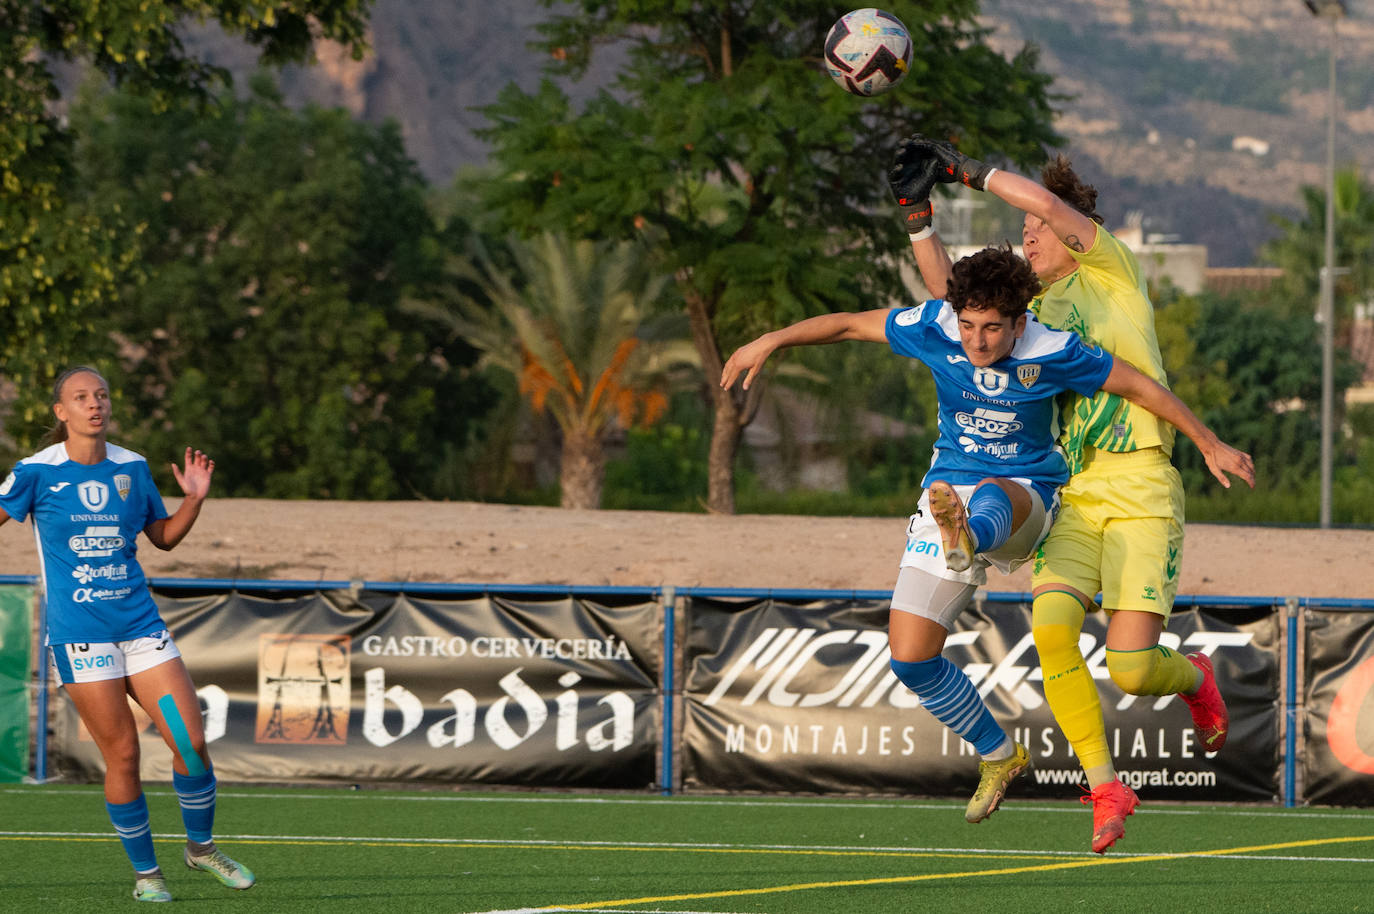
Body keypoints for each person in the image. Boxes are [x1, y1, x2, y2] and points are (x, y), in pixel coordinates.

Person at [719, 245, 1253, 827]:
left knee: (993, 493)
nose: (977, 341)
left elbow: (1141, 388)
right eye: (969, 326)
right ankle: (1000, 754)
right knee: (911, 658)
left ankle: (969, 531)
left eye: (992, 329)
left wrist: (1208, 442)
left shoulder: (1052, 349)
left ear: (1019, 322)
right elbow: (848, 324)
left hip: (1029, 496)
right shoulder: (936, 325)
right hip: (948, 492)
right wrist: (769, 340)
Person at [891, 133, 1245, 853]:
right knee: (1050, 629)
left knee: (1133, 667)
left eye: (1033, 231)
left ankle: (1194, 679)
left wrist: (970, 171)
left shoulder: (1110, 269)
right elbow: (949, 307)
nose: (1027, 240)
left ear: (1072, 231)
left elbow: (1047, 200)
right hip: (1073, 492)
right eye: (1021, 234)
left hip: (1141, 480)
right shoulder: (1031, 315)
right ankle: (1106, 787)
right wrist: (917, 217)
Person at [0, 366, 255, 902]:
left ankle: (201, 850)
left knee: (191, 743)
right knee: (124, 757)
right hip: (81, 638)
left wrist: (194, 500)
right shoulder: (35, 472)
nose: (95, 404)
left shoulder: (132, 466)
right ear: (60, 412)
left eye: (102, 395)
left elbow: (160, 538)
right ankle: (147, 876)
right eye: (80, 397)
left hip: (140, 629)